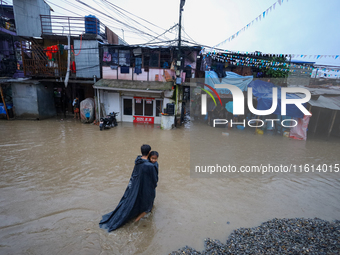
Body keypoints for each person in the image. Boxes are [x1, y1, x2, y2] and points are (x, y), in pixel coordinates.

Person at [99, 144, 159, 232]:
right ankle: (136, 220)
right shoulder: (150, 166)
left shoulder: (138, 160)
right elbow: (154, 179)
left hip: (135, 185)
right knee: (148, 207)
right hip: (146, 187)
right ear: (149, 152)